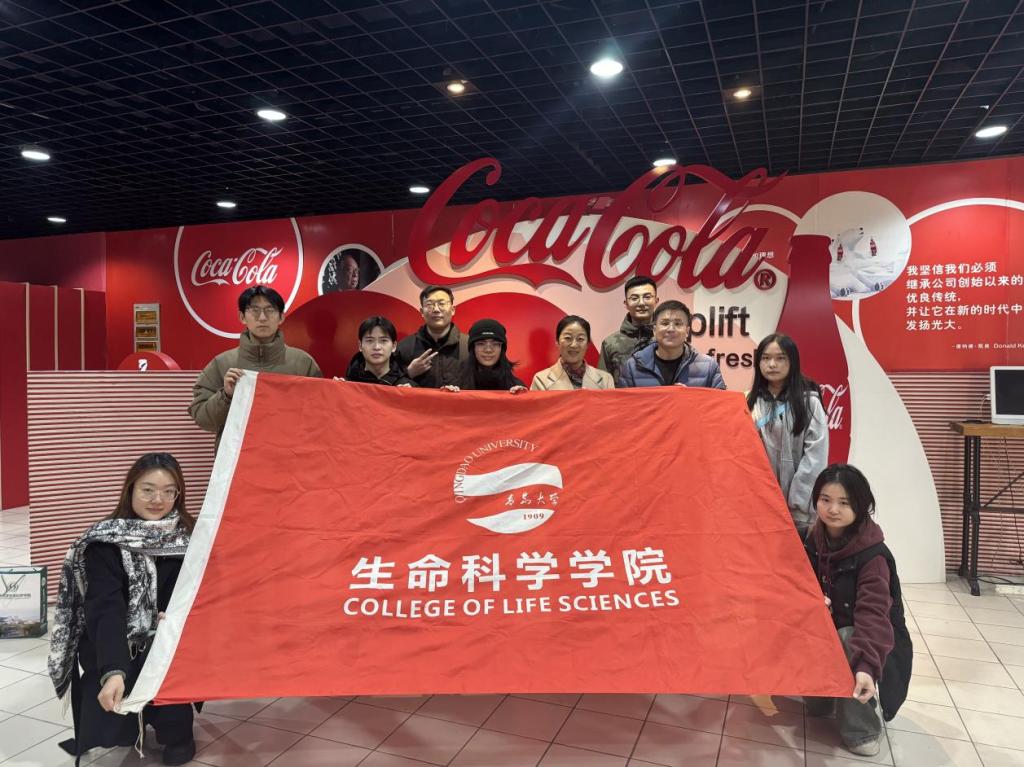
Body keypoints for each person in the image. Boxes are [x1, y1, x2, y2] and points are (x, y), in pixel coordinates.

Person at [47, 453, 197, 766]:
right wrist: (114, 671)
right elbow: (106, 607)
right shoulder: (105, 540)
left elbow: (202, 589)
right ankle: (127, 719)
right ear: (130, 490)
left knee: (169, 676)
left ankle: (177, 734)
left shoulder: (190, 536)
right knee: (114, 695)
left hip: (171, 638)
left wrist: (177, 615)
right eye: (148, 490)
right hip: (117, 637)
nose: (158, 499)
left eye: (169, 491)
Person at [803, 464, 912, 758]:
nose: (832, 509)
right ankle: (824, 696)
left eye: (844, 502)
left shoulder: (872, 556)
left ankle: (862, 728)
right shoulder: (811, 539)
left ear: (861, 506)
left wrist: (866, 666)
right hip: (824, 628)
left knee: (849, 637)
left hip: (864, 637)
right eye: (825, 499)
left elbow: (874, 616)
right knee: (816, 706)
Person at [189, 286, 321, 450]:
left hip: (290, 457)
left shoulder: (303, 363)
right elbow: (203, 420)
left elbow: (319, 416)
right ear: (242, 317)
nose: (262, 317)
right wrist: (226, 396)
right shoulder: (222, 364)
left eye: (269, 310)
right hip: (236, 459)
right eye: (255, 310)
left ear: (281, 317)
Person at [747, 333, 829, 536]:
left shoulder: (809, 403)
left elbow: (815, 458)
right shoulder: (748, 402)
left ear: (793, 361)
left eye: (780, 358)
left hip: (798, 513)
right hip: (757, 507)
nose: (772, 364)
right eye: (766, 358)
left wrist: (797, 503)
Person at [616, 301, 726, 389]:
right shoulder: (633, 367)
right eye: (665, 323)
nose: (671, 329)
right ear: (654, 330)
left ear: (687, 331)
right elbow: (623, 407)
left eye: (678, 324)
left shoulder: (708, 367)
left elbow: (720, 407)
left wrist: (690, 399)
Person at [395, 286, 469, 388]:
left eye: (442, 304)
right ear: (422, 312)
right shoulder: (405, 346)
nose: (436, 309)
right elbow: (391, 382)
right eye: (429, 304)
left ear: (452, 310)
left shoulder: (469, 346)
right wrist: (409, 372)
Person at [598, 275, 659, 381]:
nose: (641, 303)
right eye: (634, 298)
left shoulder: (667, 339)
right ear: (626, 303)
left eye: (647, 297)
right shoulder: (610, 343)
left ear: (656, 300)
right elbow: (602, 383)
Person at [531, 315, 615, 390]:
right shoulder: (541, 380)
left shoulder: (605, 380)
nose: (574, 345)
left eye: (580, 339)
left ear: (587, 344)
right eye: (568, 338)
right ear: (557, 341)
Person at [449, 319, 526, 393]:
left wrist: (520, 397)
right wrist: (450, 396)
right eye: (481, 344)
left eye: (495, 344)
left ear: (501, 348)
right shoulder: (456, 385)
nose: (488, 350)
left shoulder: (515, 387)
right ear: (473, 348)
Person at [342, 316, 416, 386]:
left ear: (394, 346)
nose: (376, 347)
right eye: (370, 341)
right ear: (360, 346)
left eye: (383, 341)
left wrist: (407, 394)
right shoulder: (347, 385)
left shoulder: (407, 387)